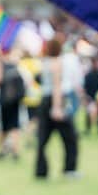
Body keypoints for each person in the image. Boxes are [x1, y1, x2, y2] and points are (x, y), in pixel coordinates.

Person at [35, 37, 80, 180]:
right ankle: (69, 169)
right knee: (70, 138)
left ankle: (41, 171)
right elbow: (57, 86)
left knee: (43, 138)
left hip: (45, 100)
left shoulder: (44, 63)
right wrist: (57, 107)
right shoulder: (57, 63)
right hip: (56, 101)